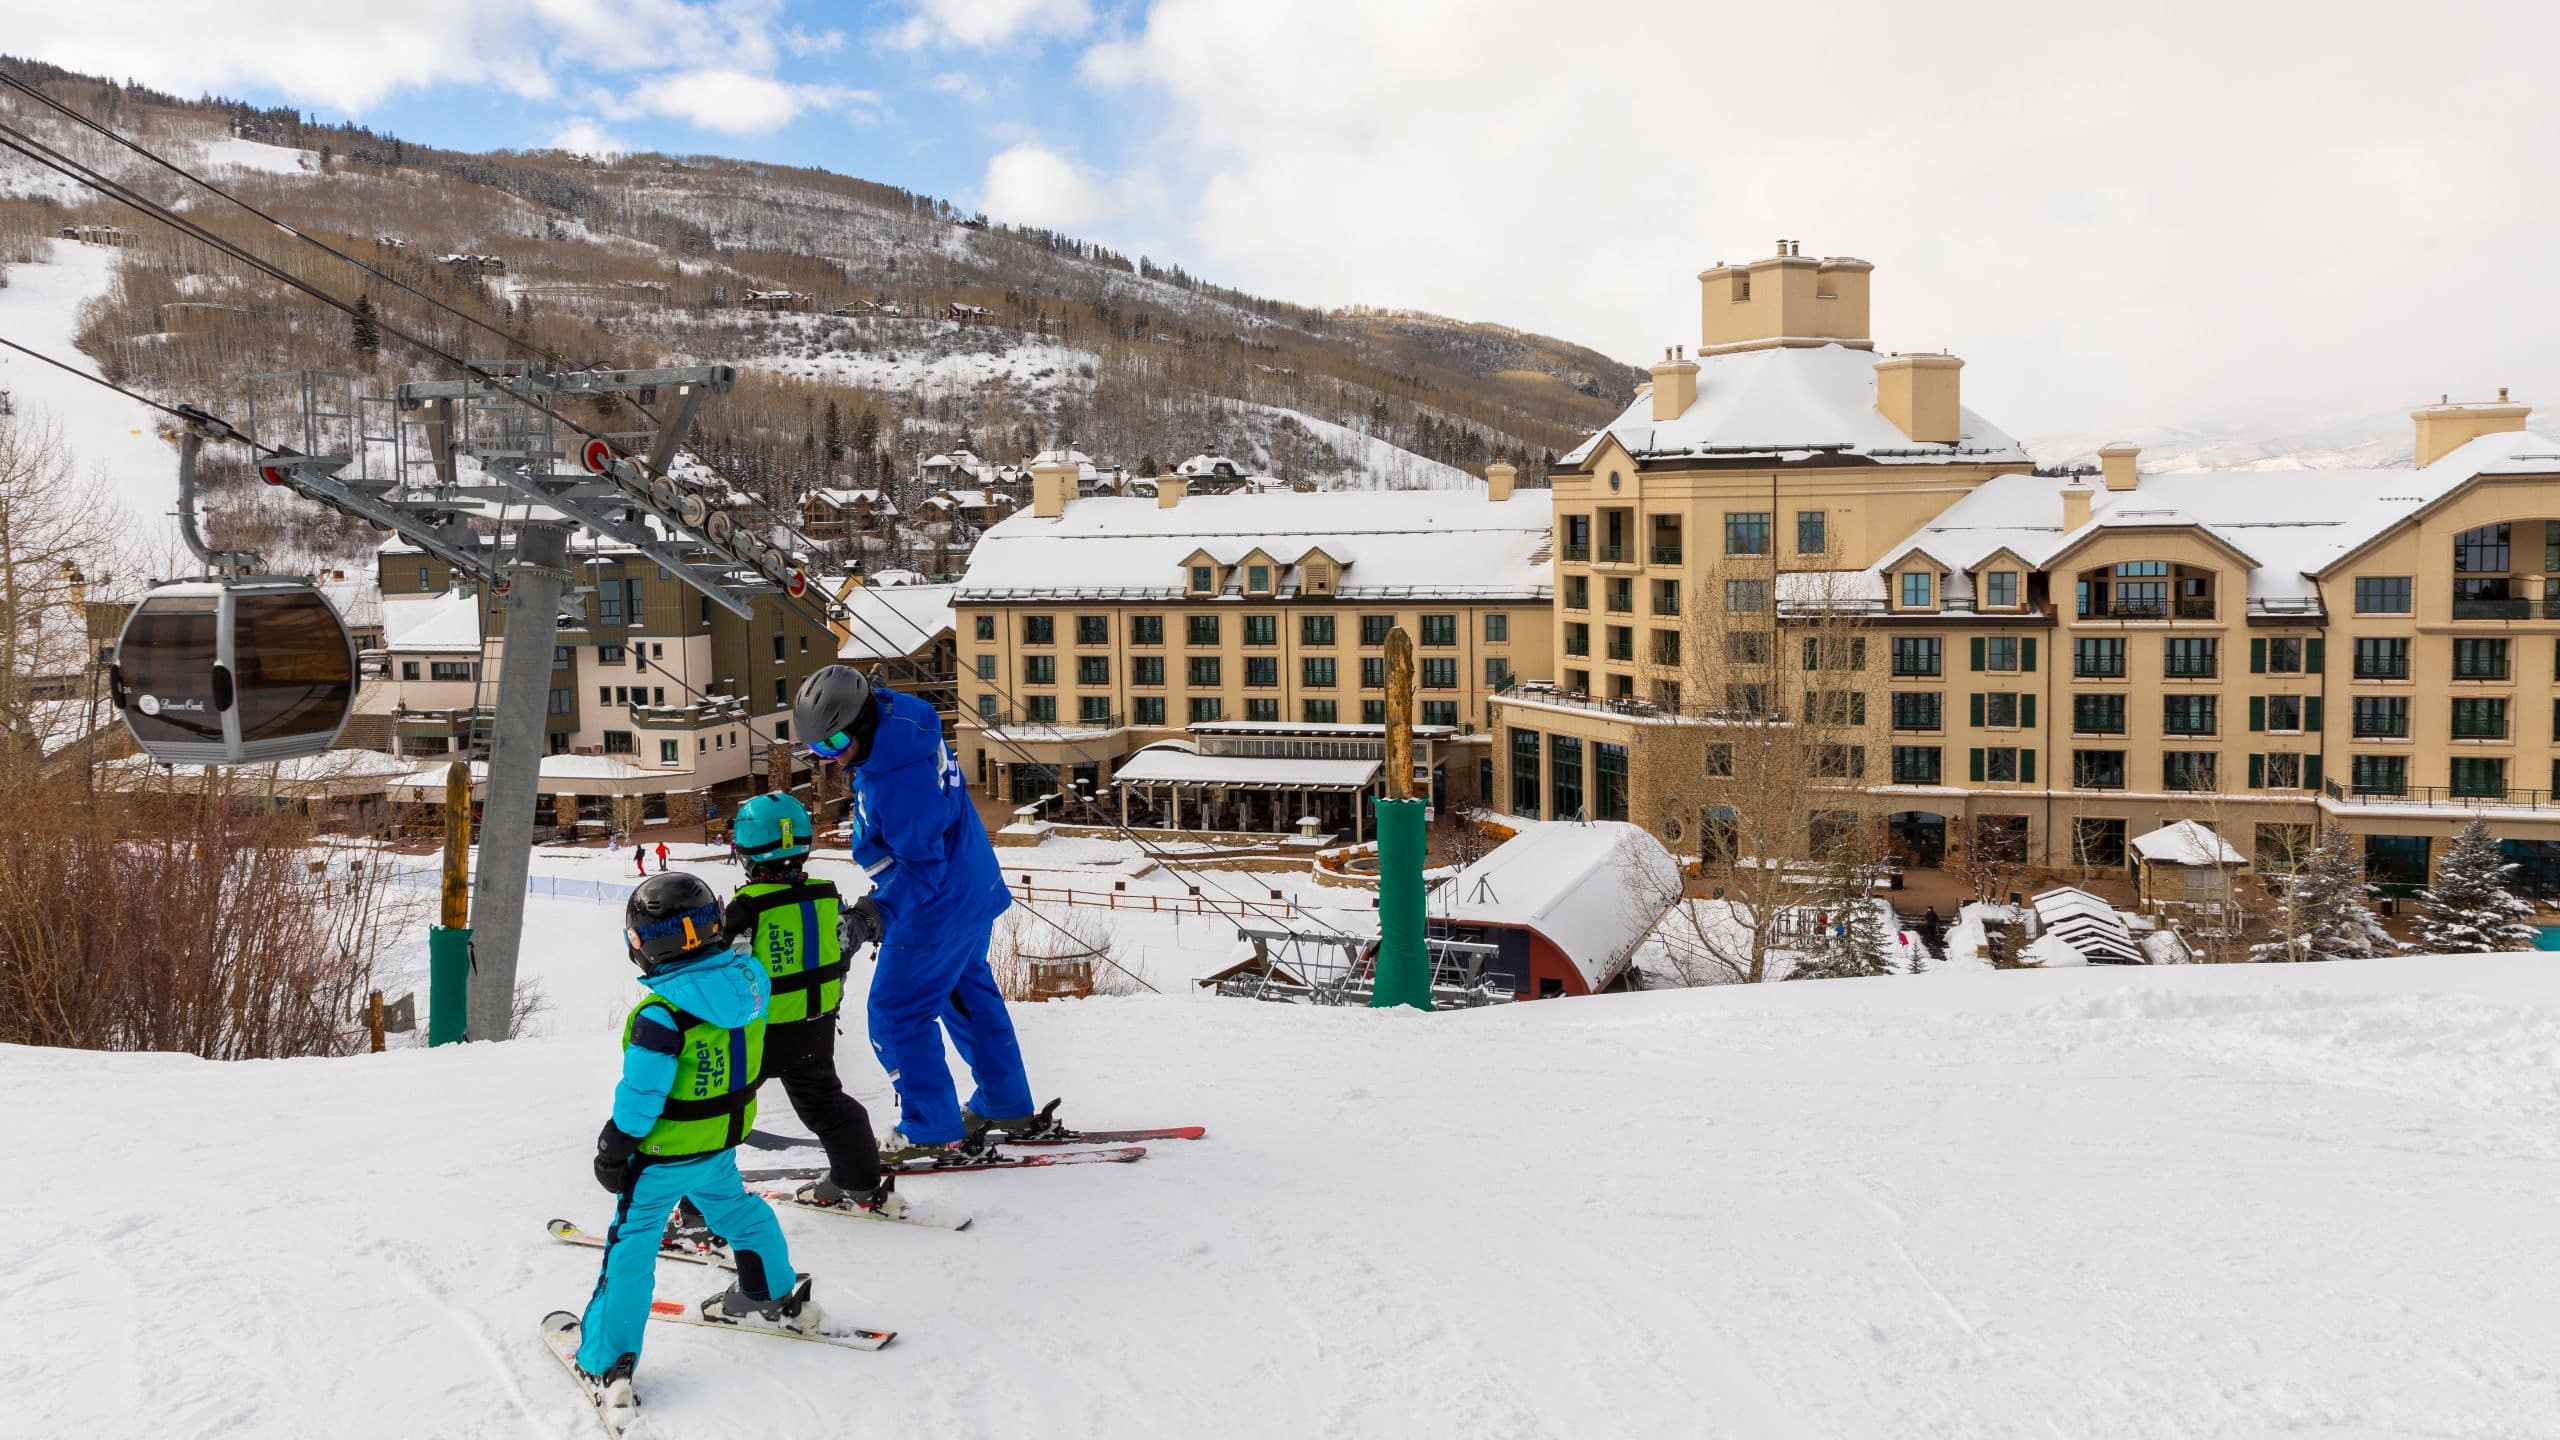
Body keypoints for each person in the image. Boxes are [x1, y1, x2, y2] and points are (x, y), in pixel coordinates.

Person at [562, 872, 825, 1418]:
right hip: (719, 1146)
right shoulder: (750, 982)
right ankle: (769, 1292)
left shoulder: (660, 1016)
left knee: (632, 1246)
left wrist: (613, 1148)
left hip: (661, 1160)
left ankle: (607, 1356)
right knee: (742, 1215)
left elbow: (641, 1098)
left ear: (648, 944)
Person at [793, 664, 1059, 1163]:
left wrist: (874, 914)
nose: (829, 758)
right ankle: (1005, 1102)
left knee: (896, 1015)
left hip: (932, 904)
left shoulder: (899, 781)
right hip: (970, 888)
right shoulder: (901, 723)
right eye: (818, 749)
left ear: (864, 721)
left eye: (834, 744)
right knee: (966, 997)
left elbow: (920, 868)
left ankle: (930, 1126)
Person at [701, 791, 898, 1218]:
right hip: (813, 1029)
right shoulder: (826, 899)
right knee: (829, 1106)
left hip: (758, 1036)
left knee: (717, 1114)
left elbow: (726, 967)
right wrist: (868, 918)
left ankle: (701, 1207)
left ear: (747, 854)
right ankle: (859, 1181)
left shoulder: (746, 909)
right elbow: (845, 939)